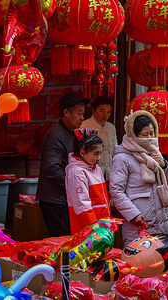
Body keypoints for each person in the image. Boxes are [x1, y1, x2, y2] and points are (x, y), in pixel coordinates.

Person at [110, 110, 168, 246]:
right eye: (145, 134)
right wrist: (133, 214)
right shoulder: (122, 157)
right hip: (139, 222)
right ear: (134, 135)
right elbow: (116, 190)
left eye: (152, 133)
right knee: (141, 262)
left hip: (163, 220)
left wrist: (163, 165)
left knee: (165, 259)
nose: (150, 137)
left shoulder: (155, 153)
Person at [36, 92, 90, 237]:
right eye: (79, 113)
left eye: (83, 114)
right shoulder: (56, 134)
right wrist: (74, 185)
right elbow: (51, 169)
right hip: (54, 199)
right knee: (64, 240)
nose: (82, 118)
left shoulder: (70, 133)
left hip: (63, 197)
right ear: (66, 112)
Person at [65, 128, 111, 234]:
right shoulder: (76, 172)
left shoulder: (96, 168)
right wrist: (95, 230)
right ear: (82, 152)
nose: (99, 157)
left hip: (101, 224)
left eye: (100, 153)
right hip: (89, 229)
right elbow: (82, 205)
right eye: (96, 154)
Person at [81, 96, 117, 179]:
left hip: (109, 172)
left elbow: (115, 150)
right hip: (91, 172)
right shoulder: (84, 126)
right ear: (93, 110)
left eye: (108, 112)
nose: (105, 115)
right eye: (102, 111)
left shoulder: (111, 128)